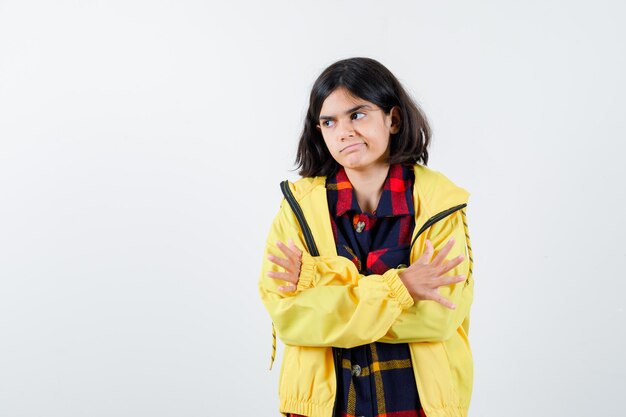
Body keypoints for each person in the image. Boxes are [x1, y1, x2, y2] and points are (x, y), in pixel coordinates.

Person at [258, 57, 475, 417]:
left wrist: (325, 290)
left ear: (393, 119)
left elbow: (437, 318)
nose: (343, 132)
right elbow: (291, 320)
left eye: (357, 115)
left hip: (416, 404)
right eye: (329, 122)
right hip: (323, 408)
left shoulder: (441, 203)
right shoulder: (299, 209)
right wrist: (401, 287)